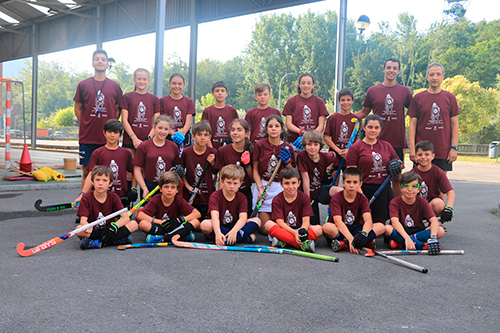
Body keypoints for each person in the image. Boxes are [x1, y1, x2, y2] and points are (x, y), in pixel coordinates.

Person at [355, 58, 412, 196]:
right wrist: (345, 117)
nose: (391, 70)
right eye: (389, 67)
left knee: (396, 178)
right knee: (374, 175)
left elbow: (414, 114)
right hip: (375, 142)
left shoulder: (404, 91)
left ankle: (396, 211)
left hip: (396, 141)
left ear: (398, 71)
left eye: (394, 68)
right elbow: (364, 112)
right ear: (384, 69)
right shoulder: (373, 91)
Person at [345, 114, 401, 235]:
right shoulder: (356, 147)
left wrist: (397, 166)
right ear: (364, 128)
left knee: (381, 222)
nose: (373, 130)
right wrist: (360, 194)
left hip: (382, 188)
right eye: (370, 127)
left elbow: (399, 163)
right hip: (364, 188)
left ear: (380, 129)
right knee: (363, 221)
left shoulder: (386, 145)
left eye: (376, 127)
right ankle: (363, 235)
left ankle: (373, 234)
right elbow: (351, 173)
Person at [74, 49, 123, 187]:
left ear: (108, 64)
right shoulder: (83, 85)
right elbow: (78, 107)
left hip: (108, 138)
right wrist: (84, 122)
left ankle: (106, 202)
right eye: (97, 59)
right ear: (92, 63)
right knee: (87, 171)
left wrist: (111, 124)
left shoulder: (115, 86)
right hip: (88, 136)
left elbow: (118, 107)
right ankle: (85, 199)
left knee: (108, 172)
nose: (100, 61)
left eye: (103, 59)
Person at [408, 62, 460, 172]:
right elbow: (412, 125)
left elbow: (455, 125)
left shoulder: (450, 98)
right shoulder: (418, 98)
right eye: (431, 74)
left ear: (443, 77)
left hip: (442, 150)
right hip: (421, 151)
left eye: (438, 74)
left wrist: (454, 148)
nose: (434, 77)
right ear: (427, 77)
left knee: (441, 185)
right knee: (419, 184)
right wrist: (412, 149)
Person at [73, 119, 135, 209]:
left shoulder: (126, 153)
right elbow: (91, 174)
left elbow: (134, 172)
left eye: (116, 132)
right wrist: (82, 194)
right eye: (109, 132)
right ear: (104, 133)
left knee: (122, 221)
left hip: (120, 198)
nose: (112, 135)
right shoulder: (98, 153)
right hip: (101, 198)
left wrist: (133, 189)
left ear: (121, 135)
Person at [76, 165, 138, 249]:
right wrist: (87, 226)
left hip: (111, 230)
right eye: (97, 180)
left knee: (134, 224)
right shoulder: (86, 198)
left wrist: (114, 227)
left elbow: (125, 218)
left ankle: (97, 243)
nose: (100, 183)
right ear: (92, 181)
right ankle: (115, 241)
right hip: (95, 230)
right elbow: (83, 221)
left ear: (110, 183)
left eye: (105, 180)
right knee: (79, 230)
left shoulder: (114, 197)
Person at [252, 115, 295, 234]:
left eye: (277, 126)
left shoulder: (287, 147)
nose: (273, 129)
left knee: (281, 224)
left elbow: (292, 173)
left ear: (282, 129)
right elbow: (255, 170)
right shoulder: (259, 145)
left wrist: (288, 162)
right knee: (265, 229)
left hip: (280, 187)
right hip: (263, 185)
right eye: (270, 126)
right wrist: (260, 188)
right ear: (266, 129)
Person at [384, 171, 445, 254]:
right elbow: (395, 222)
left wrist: (433, 237)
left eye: (414, 186)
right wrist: (406, 238)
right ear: (400, 188)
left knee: (440, 230)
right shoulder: (395, 202)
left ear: (419, 189)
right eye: (406, 186)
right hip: (400, 231)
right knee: (387, 228)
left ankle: (400, 243)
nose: (409, 189)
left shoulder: (423, 202)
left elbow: (433, 220)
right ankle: (421, 245)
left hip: (417, 230)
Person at [264, 168, 322, 252]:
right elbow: (280, 222)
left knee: (319, 229)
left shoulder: (305, 198)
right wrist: (294, 233)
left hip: (299, 229)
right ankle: (301, 245)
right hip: (284, 230)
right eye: (287, 183)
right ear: (281, 184)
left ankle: (284, 242)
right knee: (268, 224)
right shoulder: (277, 200)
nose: (290, 187)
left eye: (293, 183)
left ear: (299, 183)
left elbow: (306, 221)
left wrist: (302, 232)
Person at [200, 165, 261, 245]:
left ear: (240, 184)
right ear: (222, 182)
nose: (232, 186)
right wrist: (218, 233)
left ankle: (229, 238)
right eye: (229, 183)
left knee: (257, 220)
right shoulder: (215, 196)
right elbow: (214, 216)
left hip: (235, 226)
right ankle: (240, 237)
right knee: (205, 225)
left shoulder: (242, 197)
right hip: (219, 226)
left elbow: (243, 217)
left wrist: (234, 231)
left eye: (235, 183)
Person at [322, 167, 376, 253]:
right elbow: (337, 221)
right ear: (343, 183)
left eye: (355, 182)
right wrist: (351, 239)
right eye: (348, 182)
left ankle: (343, 244)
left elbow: (368, 220)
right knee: (327, 227)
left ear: (360, 184)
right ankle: (352, 242)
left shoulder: (362, 198)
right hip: (339, 228)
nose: (351, 185)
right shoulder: (336, 198)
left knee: (380, 227)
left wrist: (363, 234)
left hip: (355, 227)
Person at [137, 171, 201, 243]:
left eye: (173, 187)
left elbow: (197, 213)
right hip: (161, 226)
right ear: (160, 189)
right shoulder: (156, 199)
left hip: (176, 226)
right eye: (166, 187)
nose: (169, 190)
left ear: (177, 190)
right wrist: (160, 222)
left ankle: (164, 238)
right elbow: (140, 215)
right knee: (143, 224)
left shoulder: (179, 200)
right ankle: (180, 236)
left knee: (196, 222)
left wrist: (181, 220)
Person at [296, 130, 338, 225]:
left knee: (339, 191)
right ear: (305, 145)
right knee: (314, 224)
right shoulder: (302, 156)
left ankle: (335, 218)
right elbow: (305, 178)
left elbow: (334, 156)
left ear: (320, 146)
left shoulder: (326, 156)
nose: (312, 147)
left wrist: (329, 168)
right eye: (309, 144)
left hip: (320, 189)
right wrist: (307, 201)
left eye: (315, 144)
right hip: (308, 192)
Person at [133, 115, 181, 199]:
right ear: (154, 127)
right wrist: (144, 188)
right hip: (149, 186)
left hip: (168, 188)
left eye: (166, 129)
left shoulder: (173, 146)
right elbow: (137, 169)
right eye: (160, 128)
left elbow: (176, 168)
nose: (162, 131)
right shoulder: (144, 146)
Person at [215, 119, 254, 212]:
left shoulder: (252, 150)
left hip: (245, 193)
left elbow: (253, 179)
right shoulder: (223, 151)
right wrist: (221, 198)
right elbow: (221, 177)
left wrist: (247, 164)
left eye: (239, 130)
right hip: (227, 194)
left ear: (246, 133)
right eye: (233, 130)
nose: (235, 133)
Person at [181, 121, 218, 220]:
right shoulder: (186, 152)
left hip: (207, 196)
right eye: (199, 134)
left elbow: (216, 172)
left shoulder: (213, 152)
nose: (202, 137)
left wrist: (213, 163)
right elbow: (181, 172)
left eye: (206, 135)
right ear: (193, 137)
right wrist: (188, 186)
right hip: (190, 195)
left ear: (209, 137)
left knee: (203, 224)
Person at [411, 140, 455, 222]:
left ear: (433, 156)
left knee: (439, 204)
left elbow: (450, 192)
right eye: (420, 155)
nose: (423, 157)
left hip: (431, 204)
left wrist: (449, 208)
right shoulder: (412, 173)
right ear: (416, 157)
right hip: (415, 204)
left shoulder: (438, 172)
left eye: (427, 154)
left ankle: (433, 221)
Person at [120, 68, 160, 157]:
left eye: (144, 79)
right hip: (129, 141)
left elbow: (156, 122)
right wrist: (134, 138)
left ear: (148, 81)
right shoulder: (127, 97)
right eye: (139, 79)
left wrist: (148, 139)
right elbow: (124, 120)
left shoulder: (154, 99)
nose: (142, 81)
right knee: (129, 170)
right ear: (134, 80)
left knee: (146, 170)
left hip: (149, 141)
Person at [324, 88, 360, 185]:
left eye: (348, 100)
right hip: (335, 156)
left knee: (349, 183)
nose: (346, 103)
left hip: (350, 156)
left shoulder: (356, 120)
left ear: (352, 101)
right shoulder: (333, 118)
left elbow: (358, 139)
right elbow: (326, 137)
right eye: (343, 100)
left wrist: (350, 150)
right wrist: (338, 150)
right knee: (333, 184)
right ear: (339, 101)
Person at [283, 73, 328, 146]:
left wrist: (310, 136)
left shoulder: (319, 102)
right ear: (299, 85)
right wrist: (302, 132)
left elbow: (321, 125)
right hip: (295, 142)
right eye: (303, 83)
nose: (306, 86)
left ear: (313, 85)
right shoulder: (291, 101)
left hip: (313, 143)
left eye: (309, 83)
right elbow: (288, 124)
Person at [160, 73, 196, 147]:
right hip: (166, 135)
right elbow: (160, 121)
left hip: (183, 136)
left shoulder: (189, 101)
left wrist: (182, 133)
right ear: (169, 84)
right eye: (174, 83)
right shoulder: (162, 101)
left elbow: (188, 123)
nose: (177, 86)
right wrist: (172, 133)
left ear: (184, 85)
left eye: (179, 84)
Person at [201, 81, 239, 149]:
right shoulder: (207, 111)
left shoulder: (232, 110)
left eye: (222, 91)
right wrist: (211, 149)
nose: (220, 93)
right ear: (213, 94)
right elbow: (203, 131)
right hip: (211, 147)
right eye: (217, 91)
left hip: (229, 147)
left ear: (226, 94)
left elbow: (237, 130)